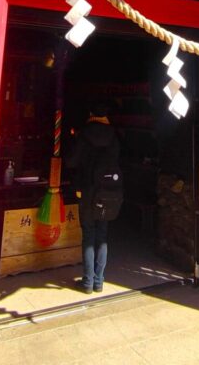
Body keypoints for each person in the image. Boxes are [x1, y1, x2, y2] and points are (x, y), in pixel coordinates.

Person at [65, 103, 121, 294]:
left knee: (88, 235)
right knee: (102, 236)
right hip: (108, 192)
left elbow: (72, 161)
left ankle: (88, 281)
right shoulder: (114, 135)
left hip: (87, 191)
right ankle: (99, 281)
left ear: (90, 113)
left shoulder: (84, 134)